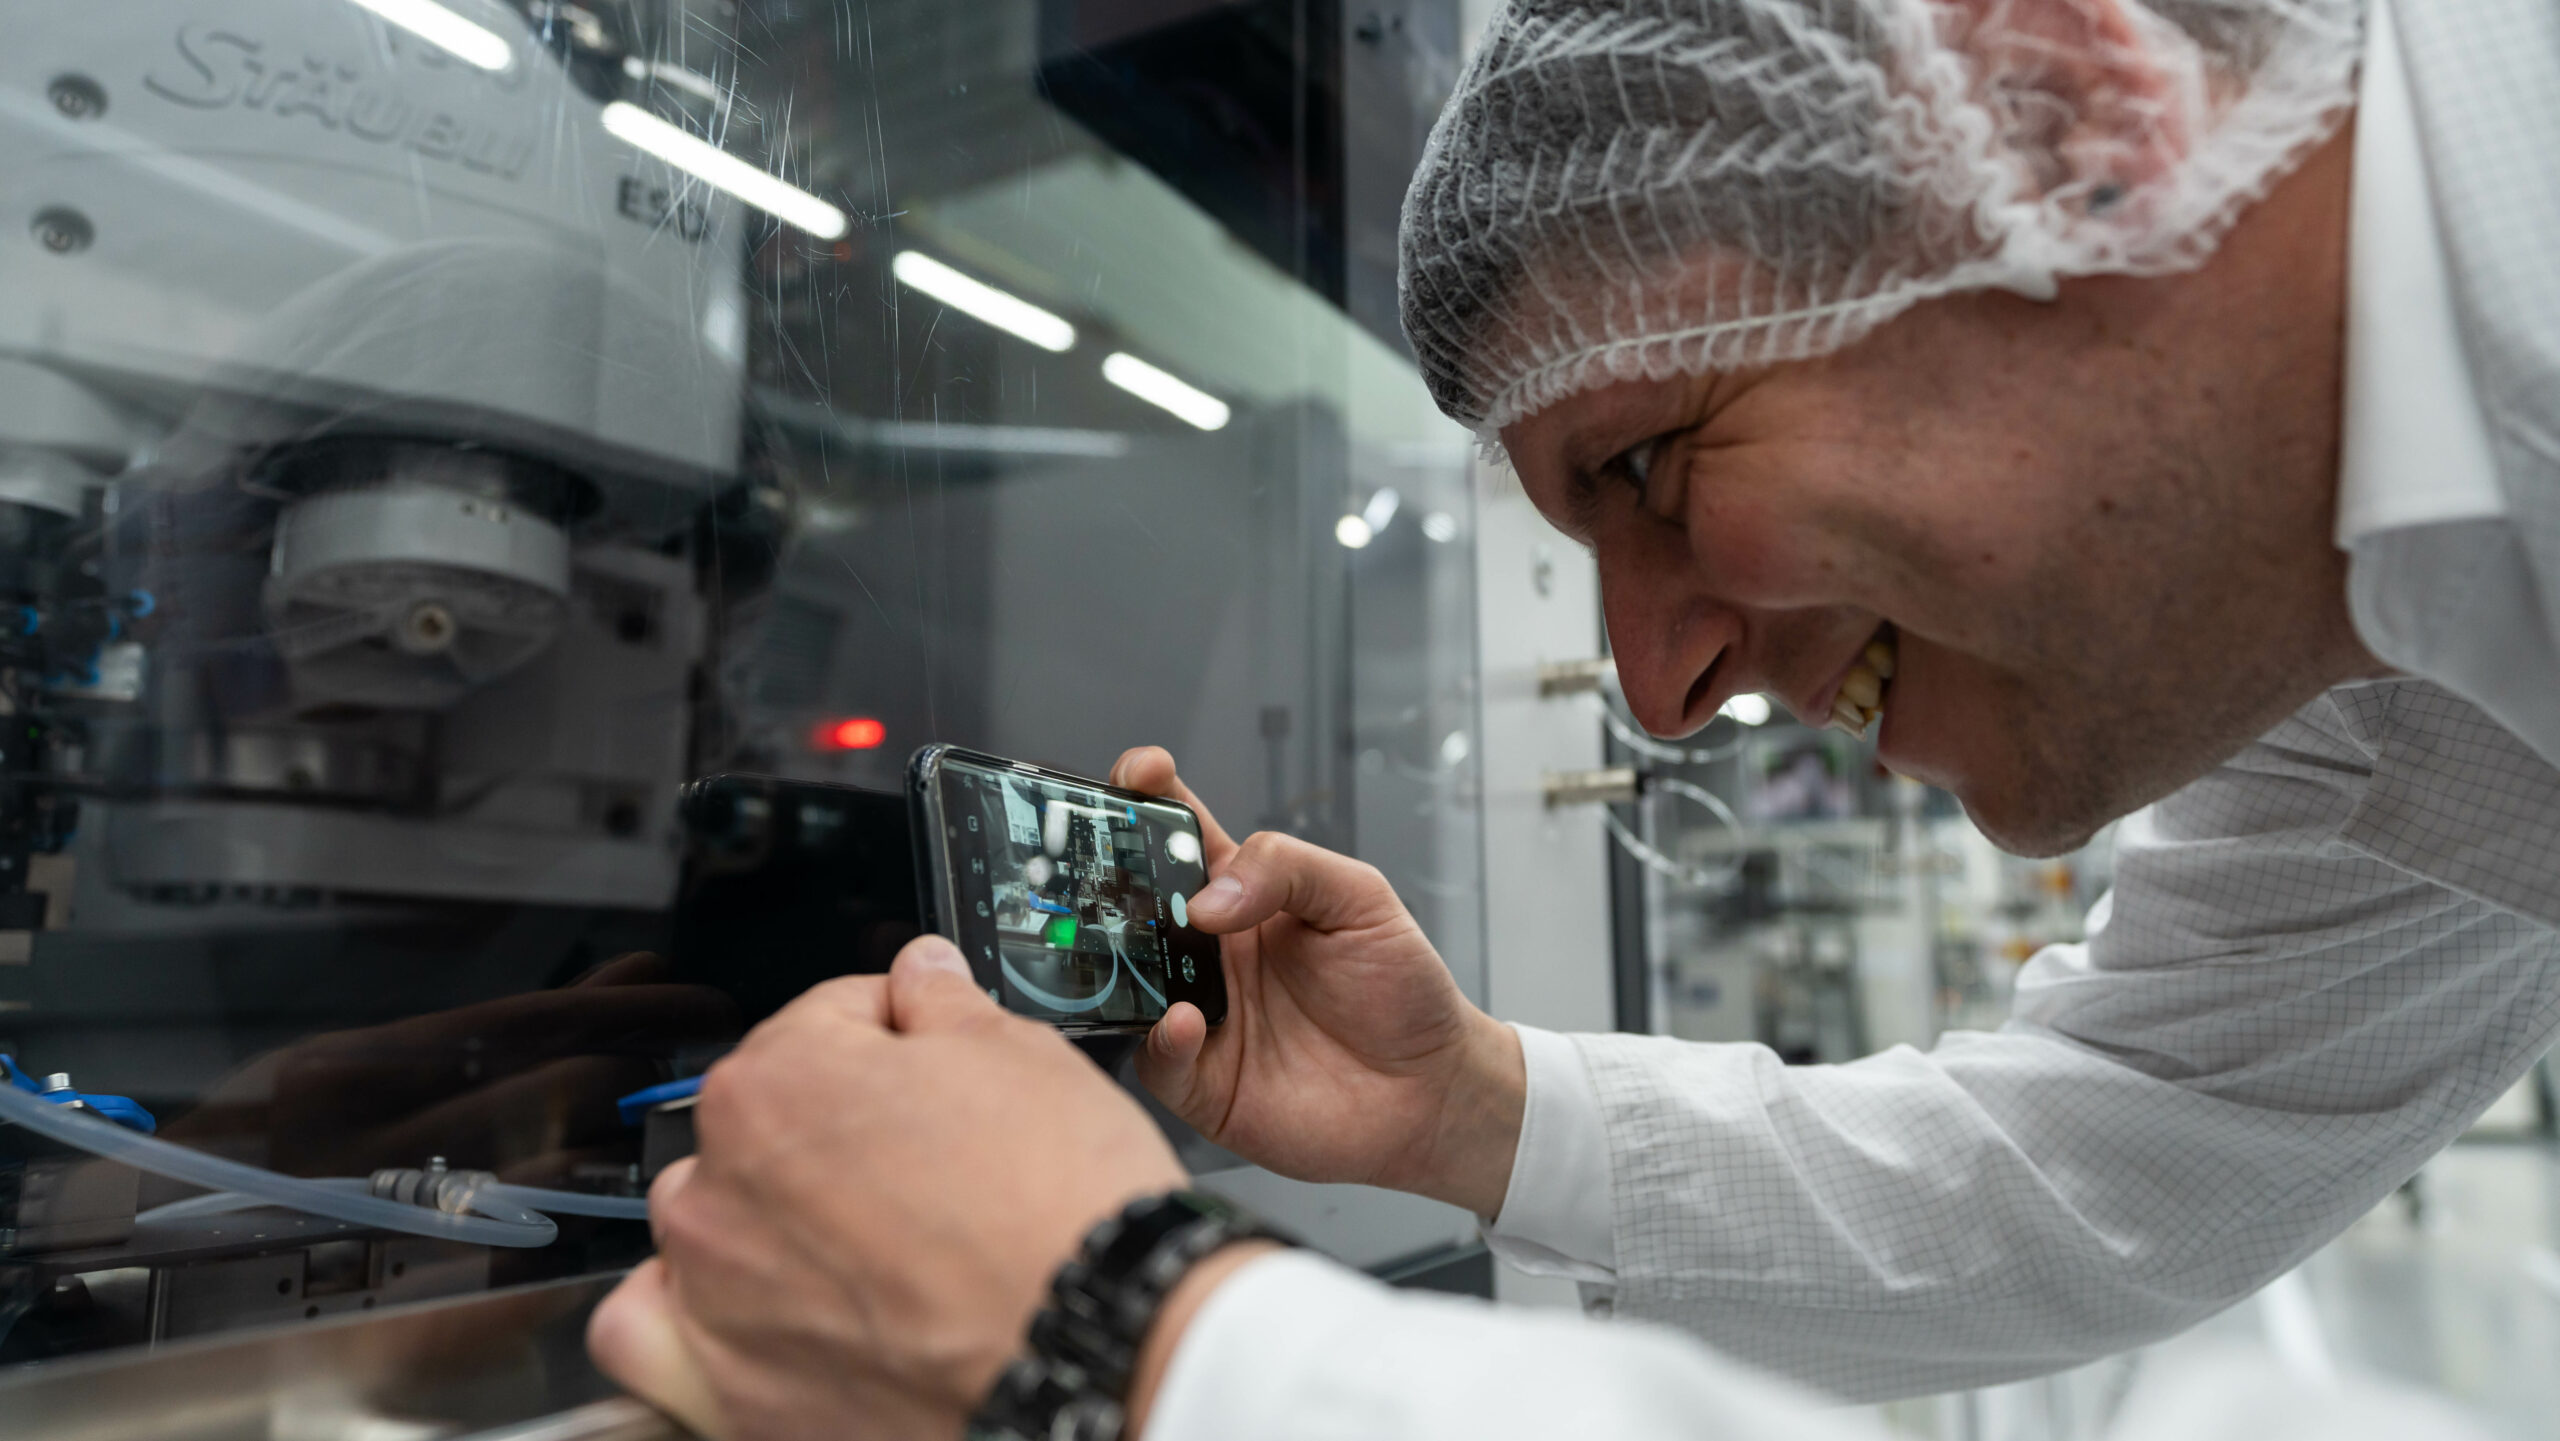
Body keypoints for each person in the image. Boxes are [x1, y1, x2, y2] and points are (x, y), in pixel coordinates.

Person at [588, 0, 2560, 1435]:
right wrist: (1467, 1110)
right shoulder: (2366, 630)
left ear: (2061, 105)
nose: (1654, 687)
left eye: (1651, 464)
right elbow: (2115, 1164)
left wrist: (1130, 1337)